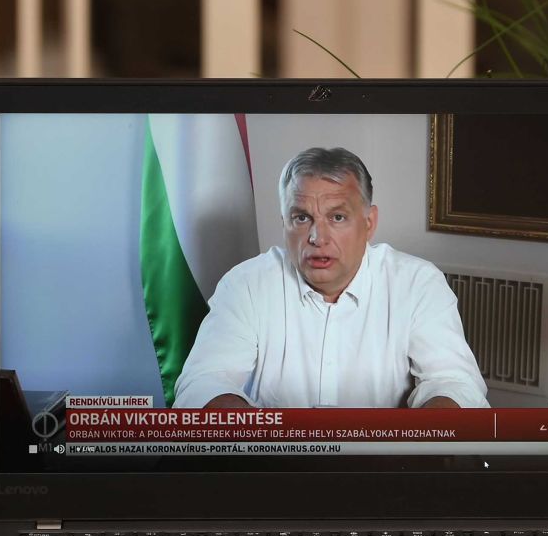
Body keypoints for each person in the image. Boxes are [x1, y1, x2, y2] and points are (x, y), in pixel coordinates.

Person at [172, 147, 488, 409]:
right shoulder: (245, 285)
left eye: (337, 217)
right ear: (284, 222)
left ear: (369, 222)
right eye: (301, 218)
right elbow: (203, 384)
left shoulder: (417, 283)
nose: (316, 237)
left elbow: (455, 382)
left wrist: (421, 447)